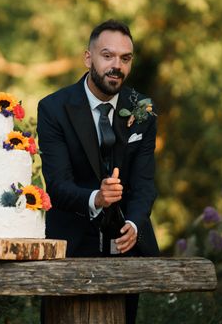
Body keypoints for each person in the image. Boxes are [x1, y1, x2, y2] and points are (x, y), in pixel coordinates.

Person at [37, 20, 159, 323]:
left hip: (126, 248)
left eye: (125, 58)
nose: (116, 65)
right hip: (70, 247)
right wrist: (96, 198)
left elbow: (144, 182)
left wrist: (134, 222)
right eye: (108, 56)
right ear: (88, 58)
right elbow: (56, 184)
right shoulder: (54, 108)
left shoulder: (141, 108)